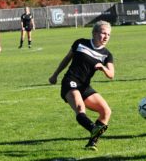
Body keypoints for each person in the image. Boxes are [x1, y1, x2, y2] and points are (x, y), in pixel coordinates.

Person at [49, 20, 114, 151]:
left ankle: (92, 142)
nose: (106, 36)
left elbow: (111, 74)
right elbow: (67, 59)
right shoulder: (80, 43)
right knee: (80, 107)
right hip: (70, 81)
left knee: (106, 111)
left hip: (84, 86)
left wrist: (103, 68)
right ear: (95, 33)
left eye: (108, 34)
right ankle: (93, 129)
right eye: (103, 33)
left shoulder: (106, 54)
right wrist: (55, 74)